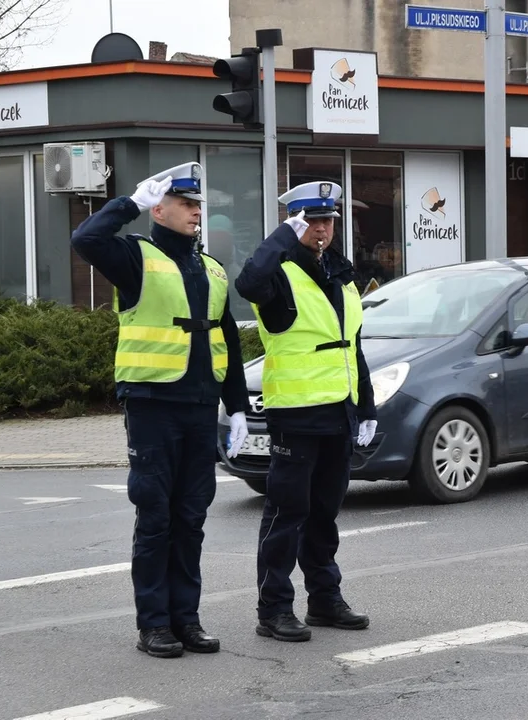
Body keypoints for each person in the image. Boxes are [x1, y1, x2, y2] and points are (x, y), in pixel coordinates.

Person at [70, 162, 250, 659]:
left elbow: (227, 338)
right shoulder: (135, 257)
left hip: (198, 406)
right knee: (156, 517)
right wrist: (130, 202)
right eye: (188, 205)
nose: (196, 213)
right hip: (152, 405)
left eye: (198, 206)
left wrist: (235, 406)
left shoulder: (210, 267)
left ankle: (186, 618)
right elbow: (85, 238)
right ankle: (154, 624)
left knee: (191, 517)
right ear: (161, 209)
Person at [234, 181, 377, 643]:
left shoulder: (339, 270)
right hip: (295, 412)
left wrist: (367, 406)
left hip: (339, 411)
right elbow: (247, 282)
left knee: (324, 514)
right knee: (287, 513)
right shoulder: (278, 272)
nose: (322, 230)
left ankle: (324, 599)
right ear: (294, 223)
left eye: (328, 221)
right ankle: (273, 609)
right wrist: (280, 238)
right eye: (312, 221)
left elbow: (351, 345)